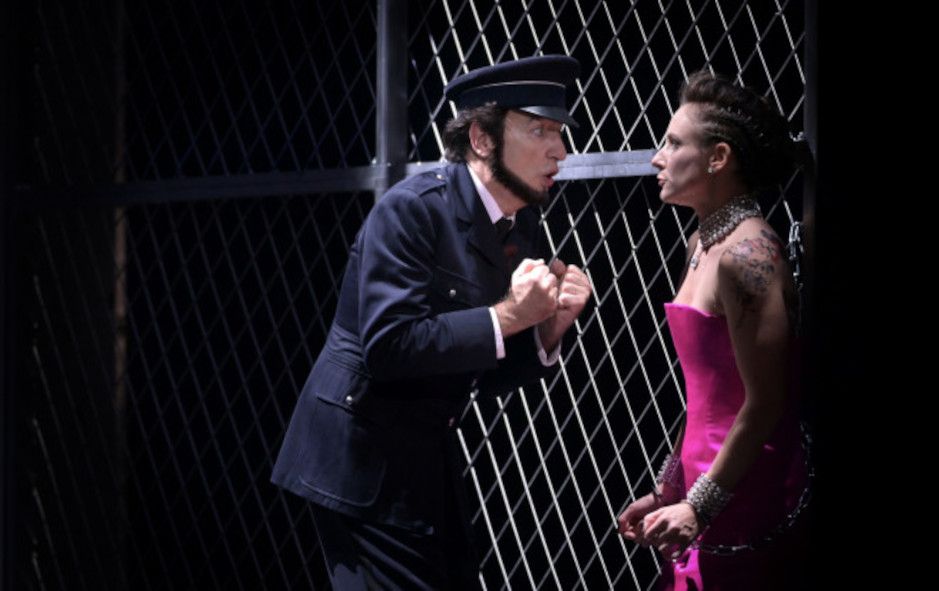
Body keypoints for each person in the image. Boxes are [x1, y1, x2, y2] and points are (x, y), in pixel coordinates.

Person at [272, 55, 592, 590]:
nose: (559, 150)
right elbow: (389, 346)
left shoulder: (517, 225)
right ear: (483, 139)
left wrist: (544, 331)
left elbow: (480, 372)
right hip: (360, 461)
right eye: (538, 129)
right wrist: (508, 314)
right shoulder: (412, 210)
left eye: (559, 132)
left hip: (424, 459)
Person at [617, 70, 808, 590]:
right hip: (702, 481)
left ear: (718, 158)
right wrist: (669, 488)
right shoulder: (703, 243)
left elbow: (766, 402)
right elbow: (706, 395)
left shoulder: (748, 253)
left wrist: (700, 505)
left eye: (674, 143)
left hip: (745, 486)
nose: (657, 158)